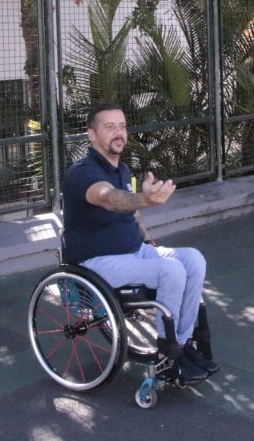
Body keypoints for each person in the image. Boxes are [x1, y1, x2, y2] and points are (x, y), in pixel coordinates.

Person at [61, 102, 219, 385]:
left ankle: (180, 345)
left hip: (135, 252)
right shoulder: (82, 173)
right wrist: (145, 199)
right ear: (91, 135)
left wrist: (148, 241)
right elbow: (109, 198)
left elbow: (132, 214)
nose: (119, 132)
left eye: (122, 126)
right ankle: (166, 351)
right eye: (109, 127)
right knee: (170, 271)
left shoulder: (122, 170)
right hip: (98, 261)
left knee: (193, 259)